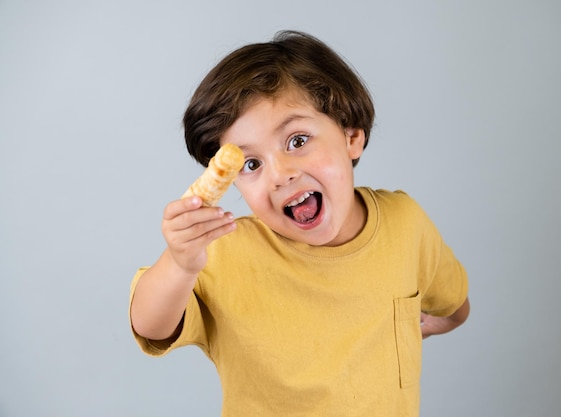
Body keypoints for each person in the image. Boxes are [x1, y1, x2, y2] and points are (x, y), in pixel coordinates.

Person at [129, 30, 470, 416]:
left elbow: (454, 303)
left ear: (351, 136)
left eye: (297, 140)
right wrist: (178, 263)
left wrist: (418, 325)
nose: (280, 175)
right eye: (252, 164)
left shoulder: (405, 224)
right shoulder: (224, 251)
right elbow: (149, 326)